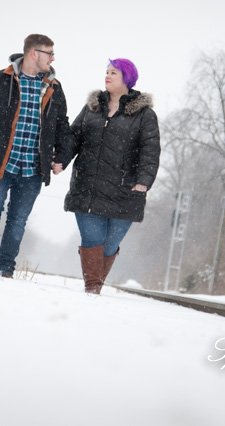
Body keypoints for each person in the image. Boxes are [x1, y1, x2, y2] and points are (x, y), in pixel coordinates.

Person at [0, 34, 72, 278]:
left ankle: (5, 267)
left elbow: (62, 126)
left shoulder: (54, 87)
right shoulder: (2, 80)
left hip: (33, 168)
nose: (53, 58)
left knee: (18, 221)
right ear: (33, 53)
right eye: (49, 53)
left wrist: (61, 158)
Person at [64, 58, 160, 293]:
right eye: (106, 72)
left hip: (125, 191)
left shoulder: (144, 115)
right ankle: (93, 288)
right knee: (92, 240)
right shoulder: (92, 107)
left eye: (113, 73)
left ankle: (95, 283)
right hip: (88, 186)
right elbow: (74, 137)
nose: (107, 76)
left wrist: (144, 181)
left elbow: (151, 150)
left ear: (127, 78)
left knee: (109, 245)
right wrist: (59, 161)